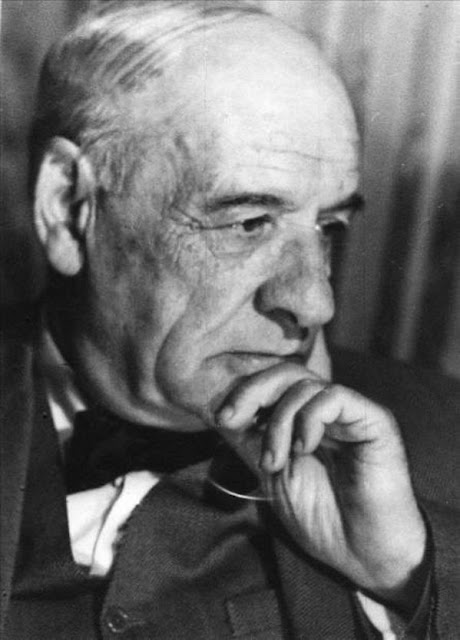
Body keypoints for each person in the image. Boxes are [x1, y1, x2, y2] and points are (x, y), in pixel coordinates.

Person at [1, 1, 459, 638]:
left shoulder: (444, 446)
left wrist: (406, 577)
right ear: (71, 206)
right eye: (248, 223)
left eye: (329, 226)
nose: (315, 301)